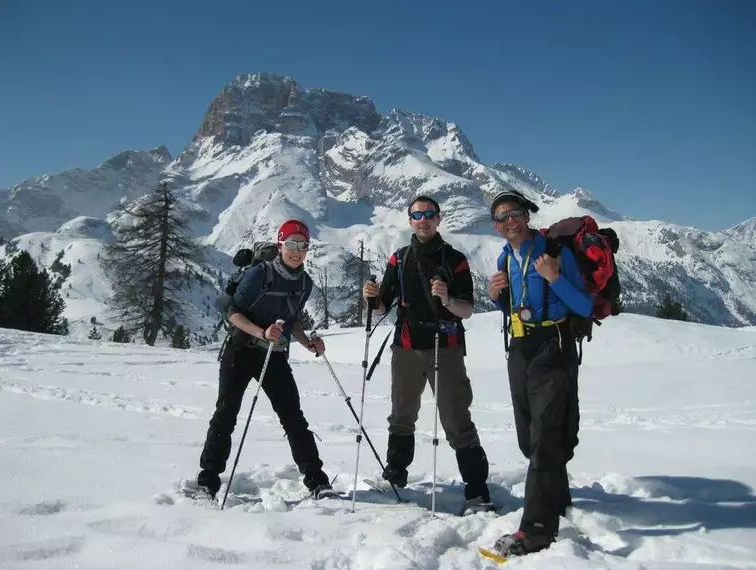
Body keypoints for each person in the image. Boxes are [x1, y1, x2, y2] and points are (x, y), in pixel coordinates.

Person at [362, 195, 495, 515]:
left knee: (456, 418)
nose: (423, 220)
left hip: (445, 347)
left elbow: (467, 310)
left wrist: (447, 299)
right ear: (409, 220)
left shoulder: (454, 259)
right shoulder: (399, 259)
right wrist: (371, 297)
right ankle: (396, 473)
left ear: (439, 219)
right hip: (406, 347)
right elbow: (383, 307)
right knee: (402, 413)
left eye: (429, 214)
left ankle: (478, 490)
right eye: (417, 215)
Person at [197, 219, 338, 500]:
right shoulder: (260, 274)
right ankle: (207, 482)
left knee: (293, 418)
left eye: (303, 245)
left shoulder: (304, 282)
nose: (297, 251)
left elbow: (292, 320)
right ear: (280, 245)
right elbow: (233, 313)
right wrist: (261, 331)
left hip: (273, 355)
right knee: (225, 415)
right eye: (292, 244)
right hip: (240, 350)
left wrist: (308, 342)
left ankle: (318, 482)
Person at [487, 189, 593, 556]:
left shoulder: (554, 254)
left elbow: (584, 304)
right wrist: (496, 296)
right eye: (501, 217)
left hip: (555, 343)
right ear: (496, 226)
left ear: (527, 216)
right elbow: (514, 307)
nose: (509, 221)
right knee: (529, 437)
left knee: (546, 436)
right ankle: (557, 499)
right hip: (520, 346)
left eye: (514, 212)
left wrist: (554, 278)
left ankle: (535, 530)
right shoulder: (505, 258)